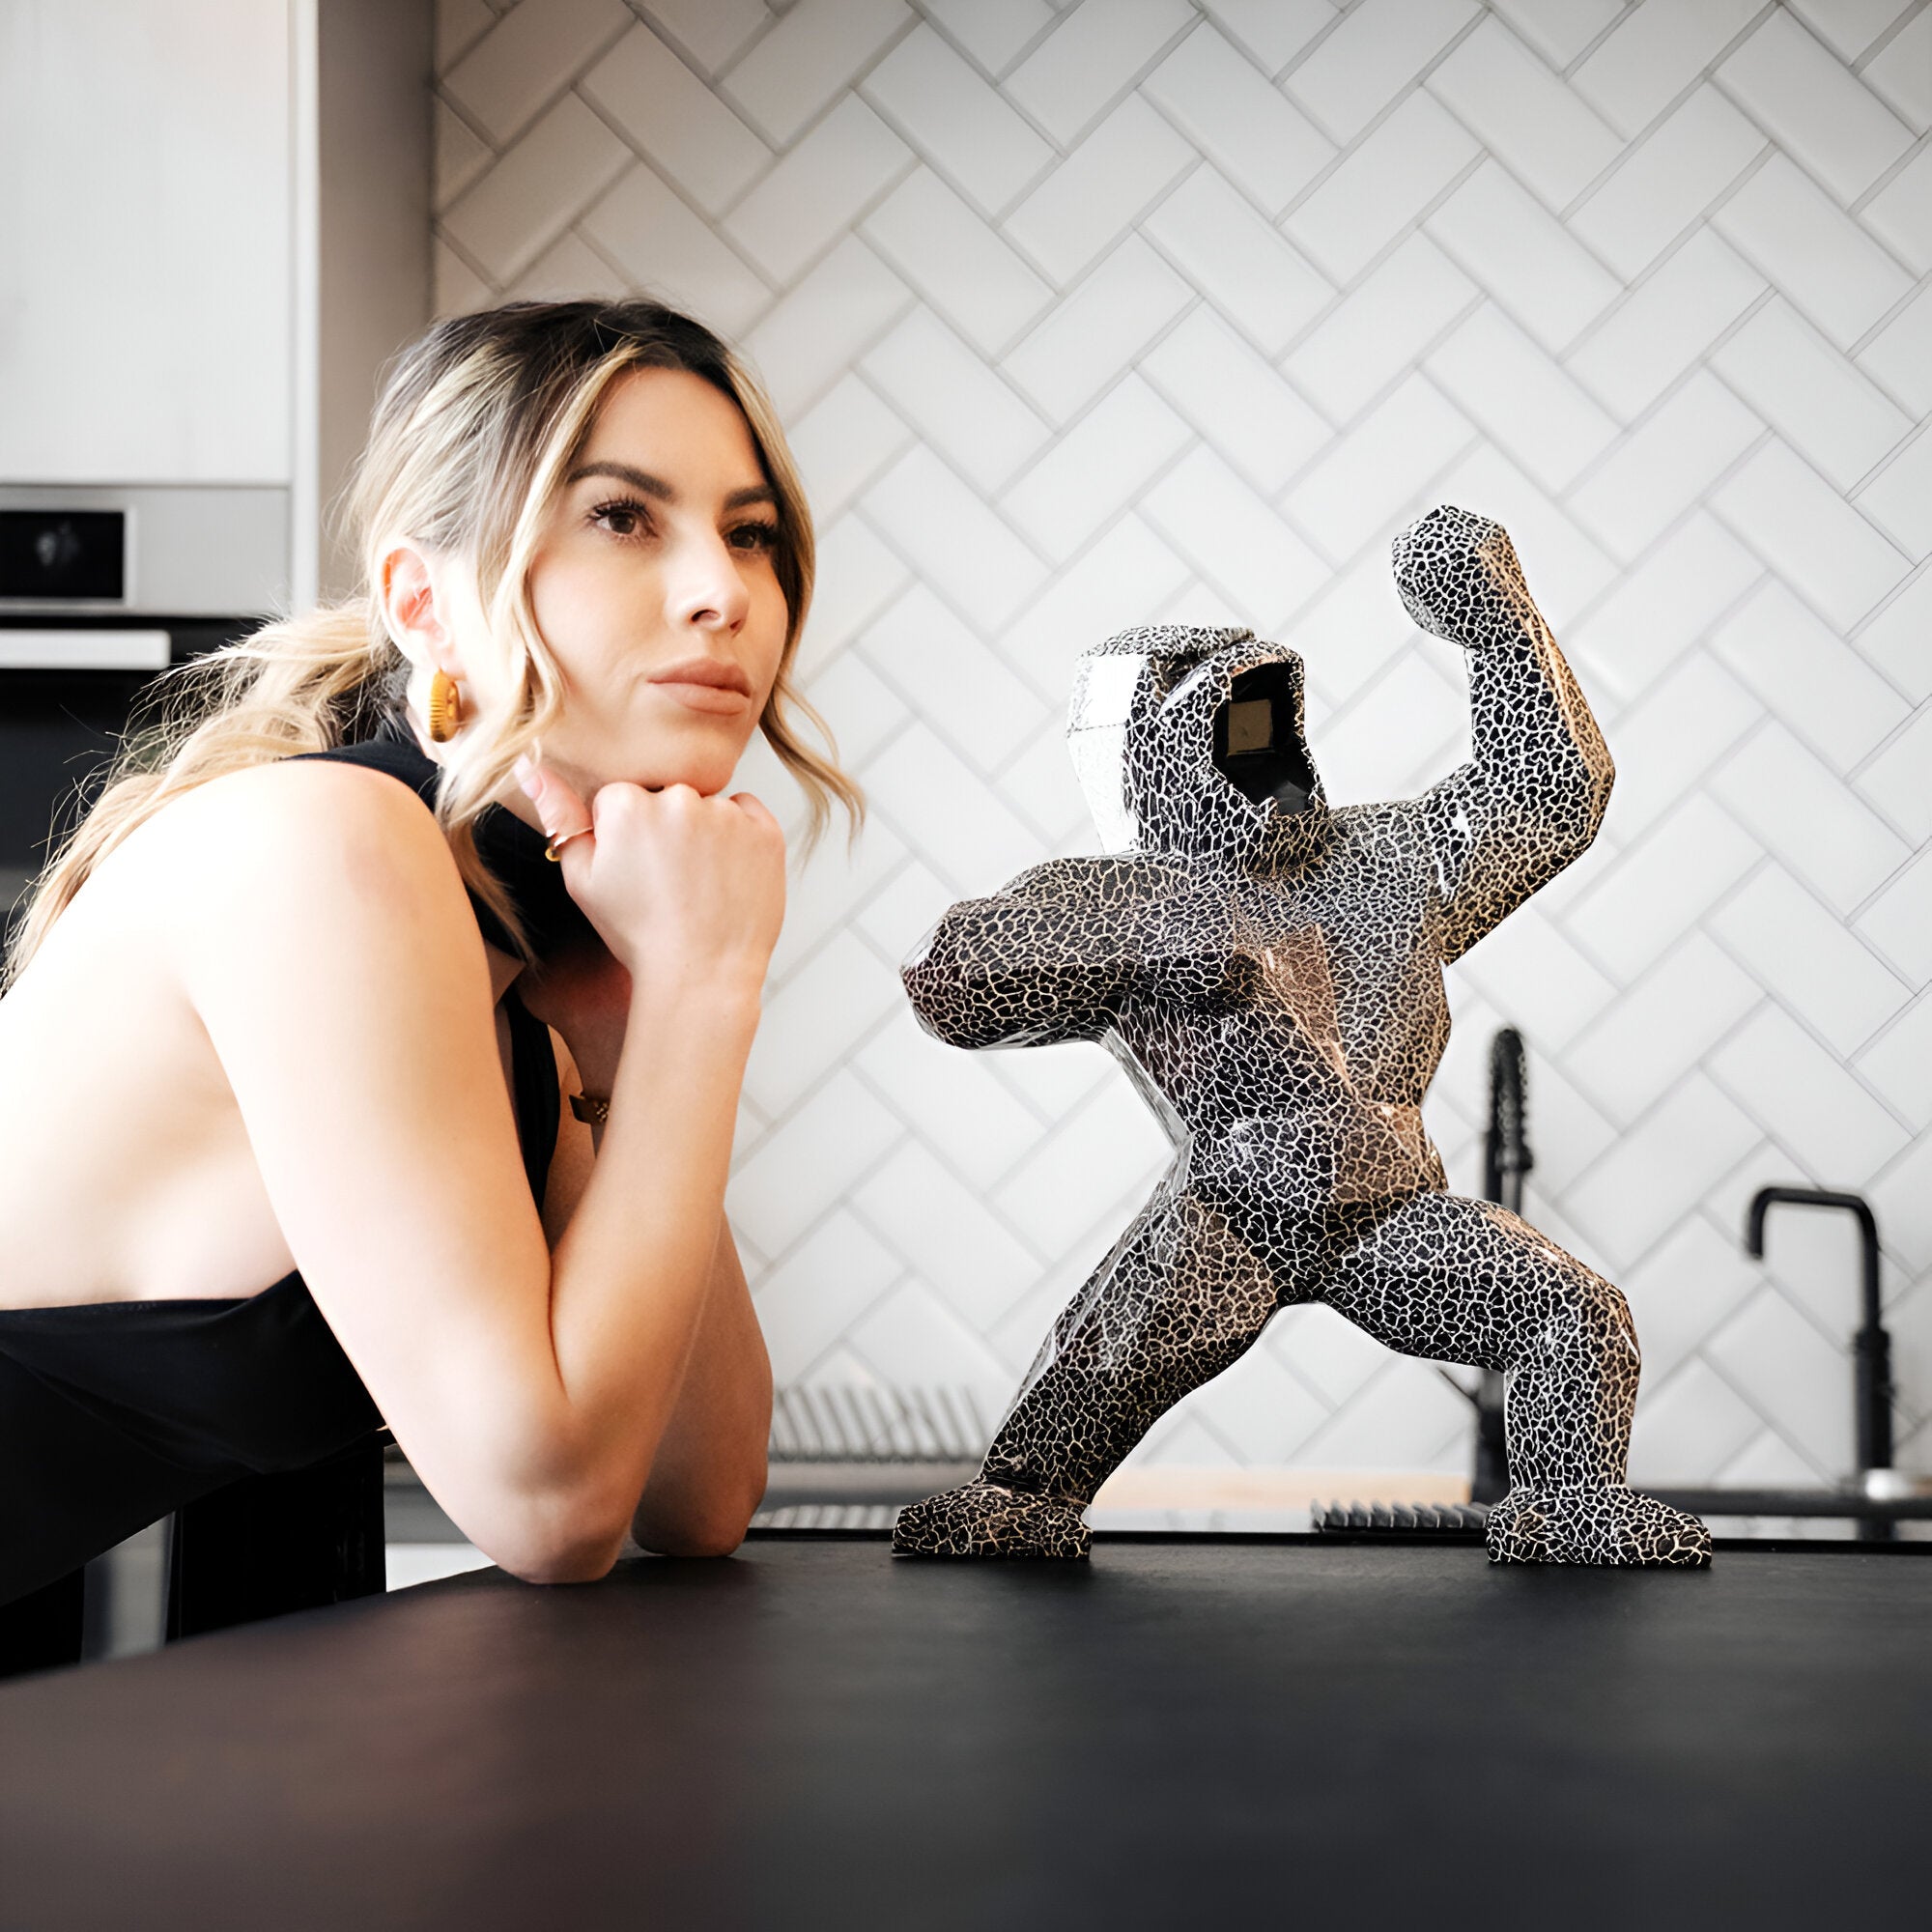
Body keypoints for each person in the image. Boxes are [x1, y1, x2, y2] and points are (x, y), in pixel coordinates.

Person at [0, 298, 860, 1626]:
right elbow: (553, 1507)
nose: (726, 593)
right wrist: (705, 990)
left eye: (750, 534)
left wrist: (630, 1036)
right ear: (423, 602)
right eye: (622, 517)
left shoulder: (508, 952)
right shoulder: (330, 847)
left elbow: (697, 1491)